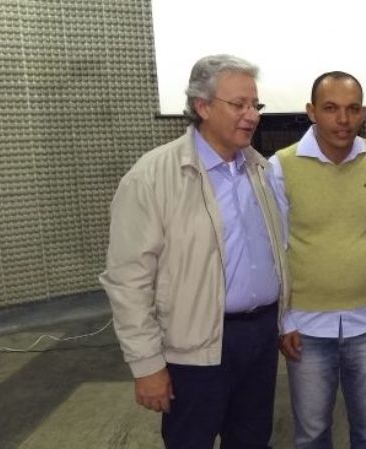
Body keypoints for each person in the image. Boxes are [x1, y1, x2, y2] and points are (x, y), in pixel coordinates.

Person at [99, 54, 289, 449]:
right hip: (194, 348)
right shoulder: (152, 177)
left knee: (253, 440)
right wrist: (146, 365)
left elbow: (276, 253)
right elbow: (128, 280)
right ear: (202, 107)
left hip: (259, 338)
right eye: (239, 104)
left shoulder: (260, 170)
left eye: (255, 104)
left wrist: (284, 320)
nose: (252, 115)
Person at [269, 71, 366, 449]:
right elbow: (276, 247)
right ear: (311, 111)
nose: (343, 120)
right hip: (306, 327)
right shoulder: (280, 166)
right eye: (330, 109)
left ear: (364, 113)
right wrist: (284, 320)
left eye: (352, 109)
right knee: (311, 435)